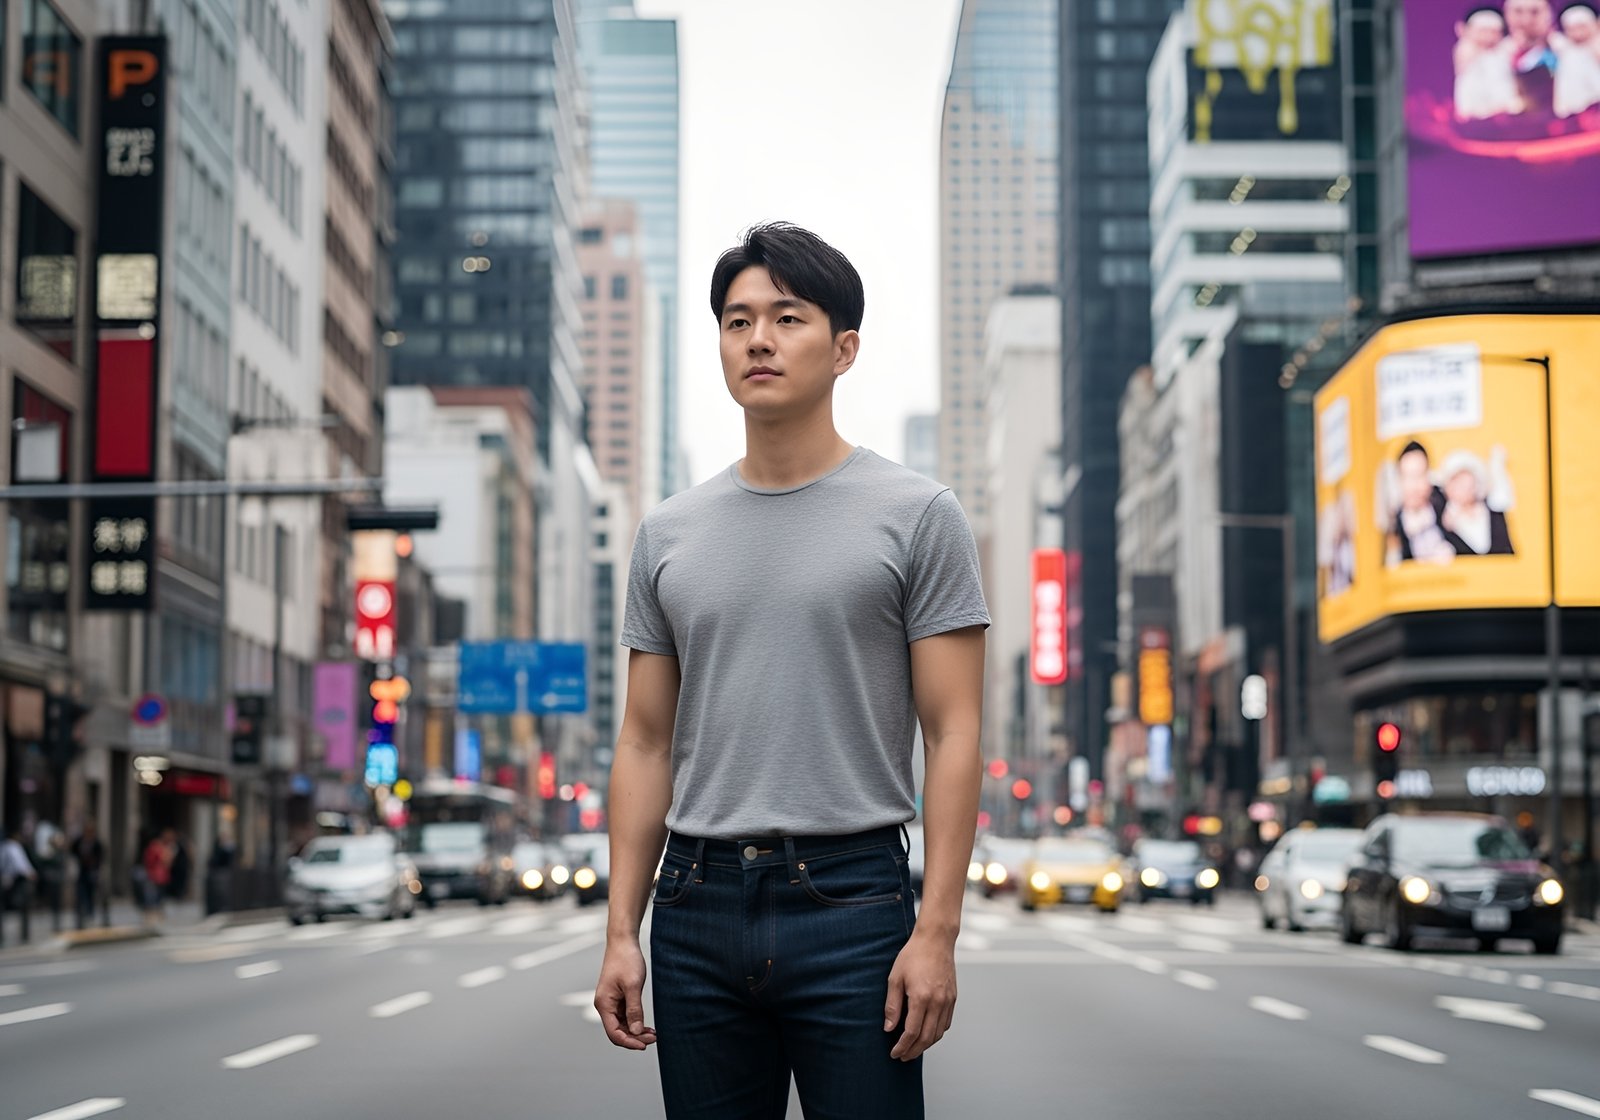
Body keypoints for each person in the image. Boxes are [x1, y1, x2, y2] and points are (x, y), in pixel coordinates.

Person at [593, 222, 989, 1119]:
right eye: (737, 322)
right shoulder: (668, 532)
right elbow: (646, 741)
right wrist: (622, 931)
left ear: (844, 347)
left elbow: (954, 731)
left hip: (852, 900)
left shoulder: (920, 516)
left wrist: (937, 929)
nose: (758, 340)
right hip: (694, 901)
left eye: (787, 317)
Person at [1386, 441, 1455, 565]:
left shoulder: (1447, 504)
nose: (1414, 486)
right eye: (1407, 477)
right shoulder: (1394, 523)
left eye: (1419, 475)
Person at [1438, 448, 1516, 555]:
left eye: (1466, 479)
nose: (1464, 486)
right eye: (1457, 481)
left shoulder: (1493, 510)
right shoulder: (1442, 520)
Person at [1454, 7, 1524, 119]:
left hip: (1503, 107)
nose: (1489, 36)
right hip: (1475, 108)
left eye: (1494, 32)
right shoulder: (1466, 49)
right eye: (1483, 31)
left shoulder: (1502, 51)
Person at [1506, 0, 1560, 113]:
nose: (1526, 20)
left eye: (1534, 12)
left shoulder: (1567, 51)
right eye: (1518, 12)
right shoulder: (1495, 57)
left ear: (1550, 15)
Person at [1551, 2, 1600, 116]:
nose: (1577, 33)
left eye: (1581, 27)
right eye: (1571, 28)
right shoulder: (1565, 50)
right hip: (1572, 113)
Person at [1, 826, 38, 946]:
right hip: (17, 881)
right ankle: (24, 935)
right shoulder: (14, 846)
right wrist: (31, 873)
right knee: (24, 907)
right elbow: (20, 864)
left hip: (6, 880)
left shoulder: (3, 846)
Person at [72, 820, 106, 930]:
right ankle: (81, 916)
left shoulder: (96, 842)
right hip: (82, 871)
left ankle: (90, 915)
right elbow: (73, 850)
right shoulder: (80, 841)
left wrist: (96, 865)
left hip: (92, 872)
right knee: (81, 894)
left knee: (91, 894)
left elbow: (101, 856)